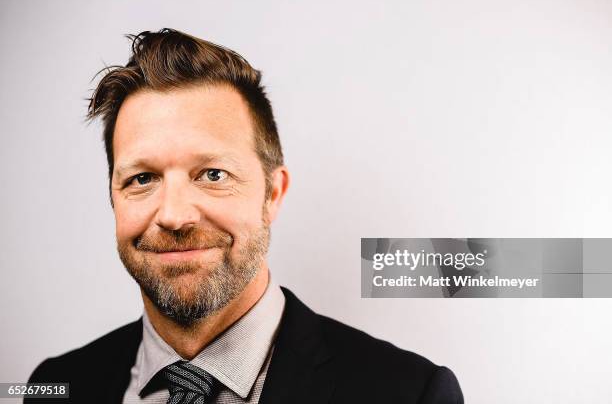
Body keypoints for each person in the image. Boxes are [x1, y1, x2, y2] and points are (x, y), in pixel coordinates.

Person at [27, 28, 463, 404]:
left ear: (273, 193)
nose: (174, 215)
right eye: (142, 179)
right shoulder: (54, 385)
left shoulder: (408, 393)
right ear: (112, 197)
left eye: (213, 174)